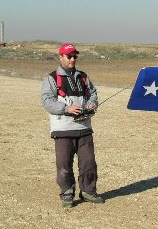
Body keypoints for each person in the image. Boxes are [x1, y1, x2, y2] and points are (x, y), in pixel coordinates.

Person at [41, 43, 104, 208]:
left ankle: (88, 192)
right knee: (64, 164)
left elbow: (93, 94)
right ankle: (67, 193)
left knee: (89, 163)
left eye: (75, 56)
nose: (72, 59)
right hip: (62, 130)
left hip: (84, 129)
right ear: (60, 57)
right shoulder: (51, 78)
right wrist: (66, 109)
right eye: (69, 56)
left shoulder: (83, 77)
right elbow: (47, 101)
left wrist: (92, 104)